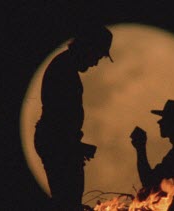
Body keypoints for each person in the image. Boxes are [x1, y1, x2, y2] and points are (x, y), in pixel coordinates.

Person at [34, 25, 113, 210]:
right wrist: (74, 146)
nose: (96, 63)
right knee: (67, 202)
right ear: (88, 47)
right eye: (97, 56)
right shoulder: (63, 71)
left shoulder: (64, 67)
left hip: (61, 145)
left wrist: (76, 146)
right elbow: (58, 121)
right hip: (60, 147)